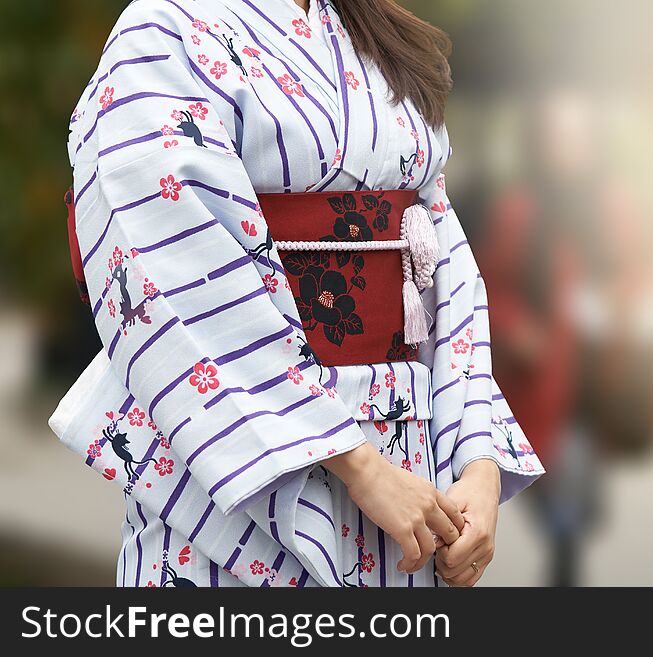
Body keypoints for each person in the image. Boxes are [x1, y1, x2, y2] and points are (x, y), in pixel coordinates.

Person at [48, 0, 542, 588]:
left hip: (408, 446)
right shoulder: (165, 28)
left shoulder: (372, 32)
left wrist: (476, 462)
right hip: (253, 455)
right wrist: (355, 464)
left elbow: (440, 259)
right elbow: (175, 258)